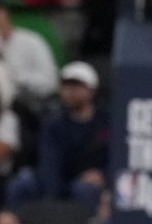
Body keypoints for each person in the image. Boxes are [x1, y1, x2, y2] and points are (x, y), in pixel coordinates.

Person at [8, 62, 108, 209]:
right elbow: (49, 160)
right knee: (24, 181)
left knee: (84, 188)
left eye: (77, 86)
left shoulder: (106, 121)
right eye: (66, 86)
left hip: (87, 181)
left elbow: (116, 156)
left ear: (92, 90)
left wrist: (103, 175)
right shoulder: (53, 122)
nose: (70, 91)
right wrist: (53, 196)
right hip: (60, 178)